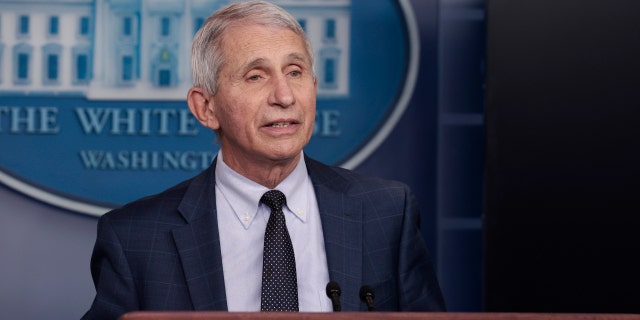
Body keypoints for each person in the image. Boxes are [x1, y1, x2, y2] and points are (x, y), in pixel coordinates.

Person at [82, 1, 445, 319]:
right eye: (256, 76)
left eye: (295, 72)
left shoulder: (386, 212)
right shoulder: (135, 238)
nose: (284, 96)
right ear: (206, 108)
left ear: (314, 88)